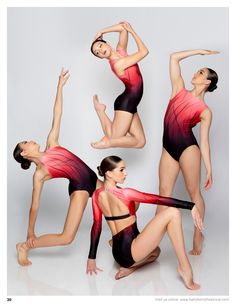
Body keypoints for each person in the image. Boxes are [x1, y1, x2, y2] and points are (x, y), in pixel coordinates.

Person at [13, 68, 103, 266]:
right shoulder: (39, 174)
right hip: (79, 188)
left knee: (129, 203)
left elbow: (57, 114)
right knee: (66, 237)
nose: (30, 140)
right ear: (24, 153)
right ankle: (25, 246)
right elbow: (34, 205)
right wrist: (30, 232)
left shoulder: (51, 143)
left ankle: (119, 239)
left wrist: (59, 87)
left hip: (93, 180)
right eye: (26, 142)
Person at [86, 156, 203, 290]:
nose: (126, 173)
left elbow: (96, 226)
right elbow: (158, 199)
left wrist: (91, 258)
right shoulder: (126, 193)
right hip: (130, 249)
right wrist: (191, 206)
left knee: (156, 252)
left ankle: (130, 268)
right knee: (173, 212)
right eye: (122, 170)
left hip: (117, 254)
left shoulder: (96, 195)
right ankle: (185, 268)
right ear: (109, 173)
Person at [157, 49, 219, 255]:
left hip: (187, 148)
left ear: (207, 82)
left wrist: (209, 169)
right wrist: (200, 52)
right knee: (163, 194)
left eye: (201, 73)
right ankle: (153, 240)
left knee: (194, 194)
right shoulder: (178, 89)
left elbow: (204, 142)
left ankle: (198, 235)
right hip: (168, 147)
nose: (196, 73)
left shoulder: (204, 110)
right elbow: (173, 57)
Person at [90, 21, 148, 149]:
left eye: (100, 46)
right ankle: (107, 139)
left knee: (140, 142)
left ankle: (100, 110)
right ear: (100, 58)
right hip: (126, 101)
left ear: (107, 43)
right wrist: (132, 31)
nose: (100, 51)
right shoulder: (118, 64)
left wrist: (102, 31)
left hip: (132, 101)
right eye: (97, 53)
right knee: (114, 137)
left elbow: (123, 28)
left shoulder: (121, 51)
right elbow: (144, 52)